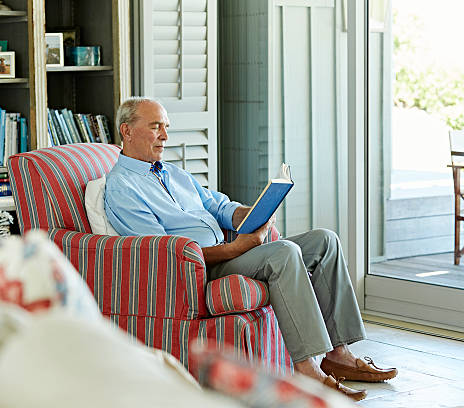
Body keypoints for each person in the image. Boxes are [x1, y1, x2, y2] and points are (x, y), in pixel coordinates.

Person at [104, 97, 397, 401]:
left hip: (231, 250)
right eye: (156, 127)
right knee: (284, 253)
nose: (165, 136)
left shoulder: (172, 174)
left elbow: (217, 205)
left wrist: (252, 212)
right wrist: (234, 249)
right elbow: (161, 253)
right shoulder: (122, 187)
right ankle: (306, 370)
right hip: (203, 268)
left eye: (166, 127)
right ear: (127, 130)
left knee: (325, 241)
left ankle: (339, 354)